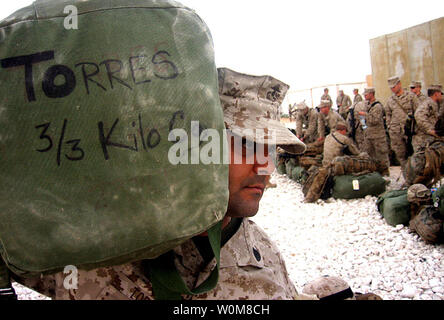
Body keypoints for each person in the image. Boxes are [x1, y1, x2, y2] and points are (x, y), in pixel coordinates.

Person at [12, 67, 309, 300]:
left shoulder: (264, 259)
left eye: (271, 150)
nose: (265, 166)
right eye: (247, 145)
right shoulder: (99, 241)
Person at [385, 76, 419, 178]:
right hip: (396, 133)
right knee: (401, 157)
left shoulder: (411, 97)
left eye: (394, 87)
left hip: (410, 132)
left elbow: (418, 112)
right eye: (391, 88)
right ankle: (407, 178)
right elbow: (388, 114)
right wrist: (390, 125)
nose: (393, 89)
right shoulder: (390, 100)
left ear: (399, 84)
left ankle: (417, 178)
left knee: (414, 155)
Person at [359, 87, 390, 176]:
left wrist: (365, 115)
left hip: (378, 137)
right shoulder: (367, 105)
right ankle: (375, 175)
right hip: (369, 136)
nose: (365, 96)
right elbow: (363, 121)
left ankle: (385, 175)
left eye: (366, 94)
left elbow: (374, 120)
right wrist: (363, 126)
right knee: (371, 157)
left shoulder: (377, 106)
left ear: (372, 94)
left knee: (381, 157)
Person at [412, 84, 443, 152]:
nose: (442, 96)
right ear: (436, 94)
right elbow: (418, 115)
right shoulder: (428, 103)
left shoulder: (435, 104)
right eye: (441, 93)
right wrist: (430, 130)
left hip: (430, 140)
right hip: (423, 140)